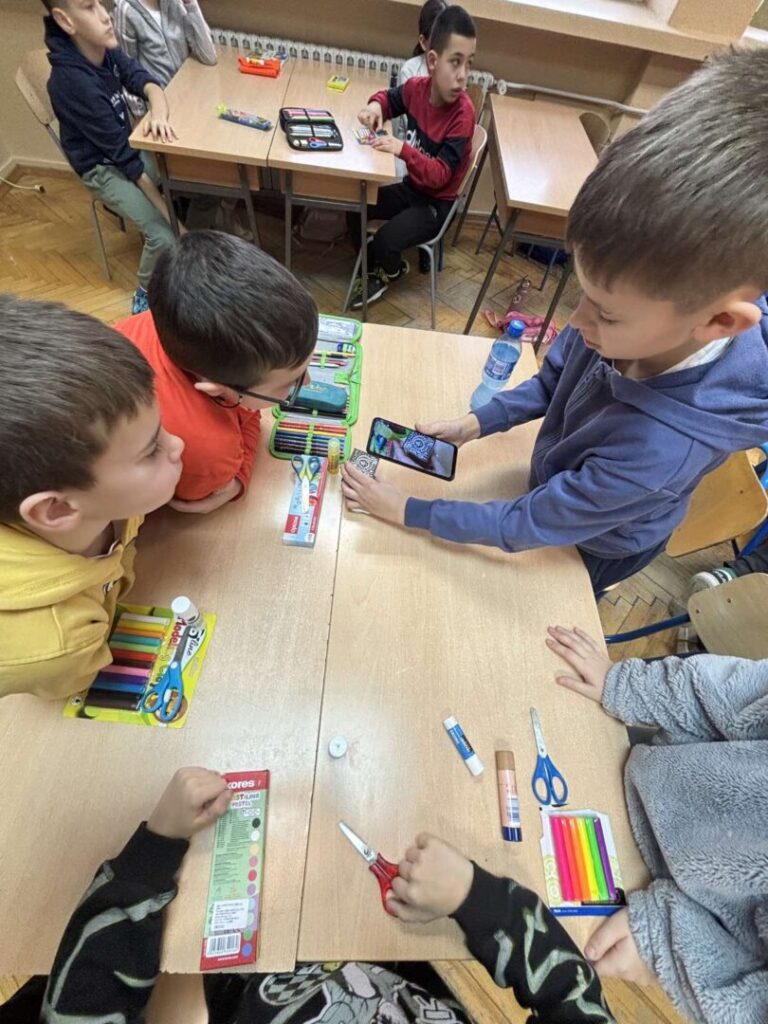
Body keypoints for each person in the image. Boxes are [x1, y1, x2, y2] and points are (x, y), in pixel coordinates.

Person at [341, 47, 768, 594]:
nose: (577, 322)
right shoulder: (633, 318)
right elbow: (552, 381)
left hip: (597, 545)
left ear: (717, 322)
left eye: (605, 312)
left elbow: (526, 524)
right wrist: (473, 425)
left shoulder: (659, 449)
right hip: (560, 482)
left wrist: (408, 510)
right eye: (582, 293)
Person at [0, 769, 615, 1024]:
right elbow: (574, 999)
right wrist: (476, 895)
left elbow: (80, 1005)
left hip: (223, 990)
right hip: (363, 972)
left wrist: (153, 852)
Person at [543, 624, 768, 1022]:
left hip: (668, 922)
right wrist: (622, 685)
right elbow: (735, 694)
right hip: (643, 774)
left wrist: (665, 943)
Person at [0, 294, 184, 700]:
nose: (178, 445)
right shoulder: (58, 646)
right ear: (57, 508)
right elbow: (68, 689)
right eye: (150, 450)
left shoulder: (108, 501)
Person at [114, 231, 318, 513]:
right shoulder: (207, 453)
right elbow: (247, 417)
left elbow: (247, 408)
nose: (308, 383)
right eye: (290, 383)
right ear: (217, 389)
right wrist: (237, 479)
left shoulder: (176, 319)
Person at [43, 0, 179, 315]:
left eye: (101, 4)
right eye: (90, 7)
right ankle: (144, 293)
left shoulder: (104, 50)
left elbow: (149, 84)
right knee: (164, 236)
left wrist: (159, 114)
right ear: (65, 20)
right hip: (102, 169)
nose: (106, 16)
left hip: (126, 154)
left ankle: (182, 251)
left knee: (185, 168)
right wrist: (178, 229)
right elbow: (129, 165)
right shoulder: (71, 84)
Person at [351, 4, 476, 308]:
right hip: (413, 188)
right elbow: (389, 99)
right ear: (432, 61)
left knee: (386, 240)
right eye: (455, 62)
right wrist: (375, 107)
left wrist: (402, 149)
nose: (463, 76)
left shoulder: (463, 115)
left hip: (436, 205)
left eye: (469, 63)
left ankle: (390, 270)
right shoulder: (416, 88)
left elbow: (440, 176)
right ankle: (374, 266)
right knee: (356, 207)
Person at [113, 0, 217, 117]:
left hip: (189, 95)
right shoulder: (126, 11)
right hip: (160, 108)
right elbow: (126, 73)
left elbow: (209, 56)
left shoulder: (175, 3)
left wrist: (190, 4)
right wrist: (143, 118)